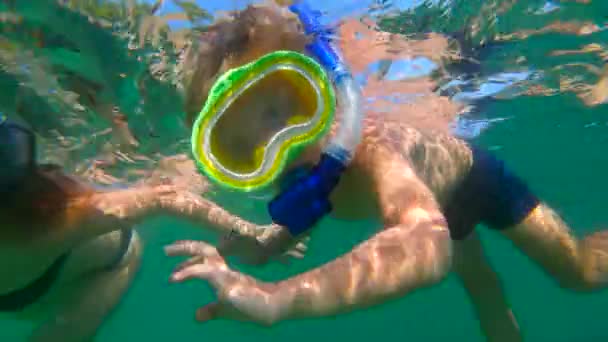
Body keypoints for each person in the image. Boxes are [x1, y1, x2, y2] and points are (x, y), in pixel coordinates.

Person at [160, 3, 608, 342]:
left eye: (286, 107)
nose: (283, 146)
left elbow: (426, 240)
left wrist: (276, 297)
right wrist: (263, 245)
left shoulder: (369, 150)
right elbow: (306, 213)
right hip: (445, 209)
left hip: (474, 182)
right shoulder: (299, 177)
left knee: (581, 273)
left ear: (318, 87)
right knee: (481, 286)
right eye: (243, 148)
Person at [0, 113, 306, 342]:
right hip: (85, 264)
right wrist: (254, 235)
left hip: (55, 277)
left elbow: (165, 199)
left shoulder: (59, 220)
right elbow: (166, 199)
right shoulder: (57, 221)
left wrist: (251, 234)